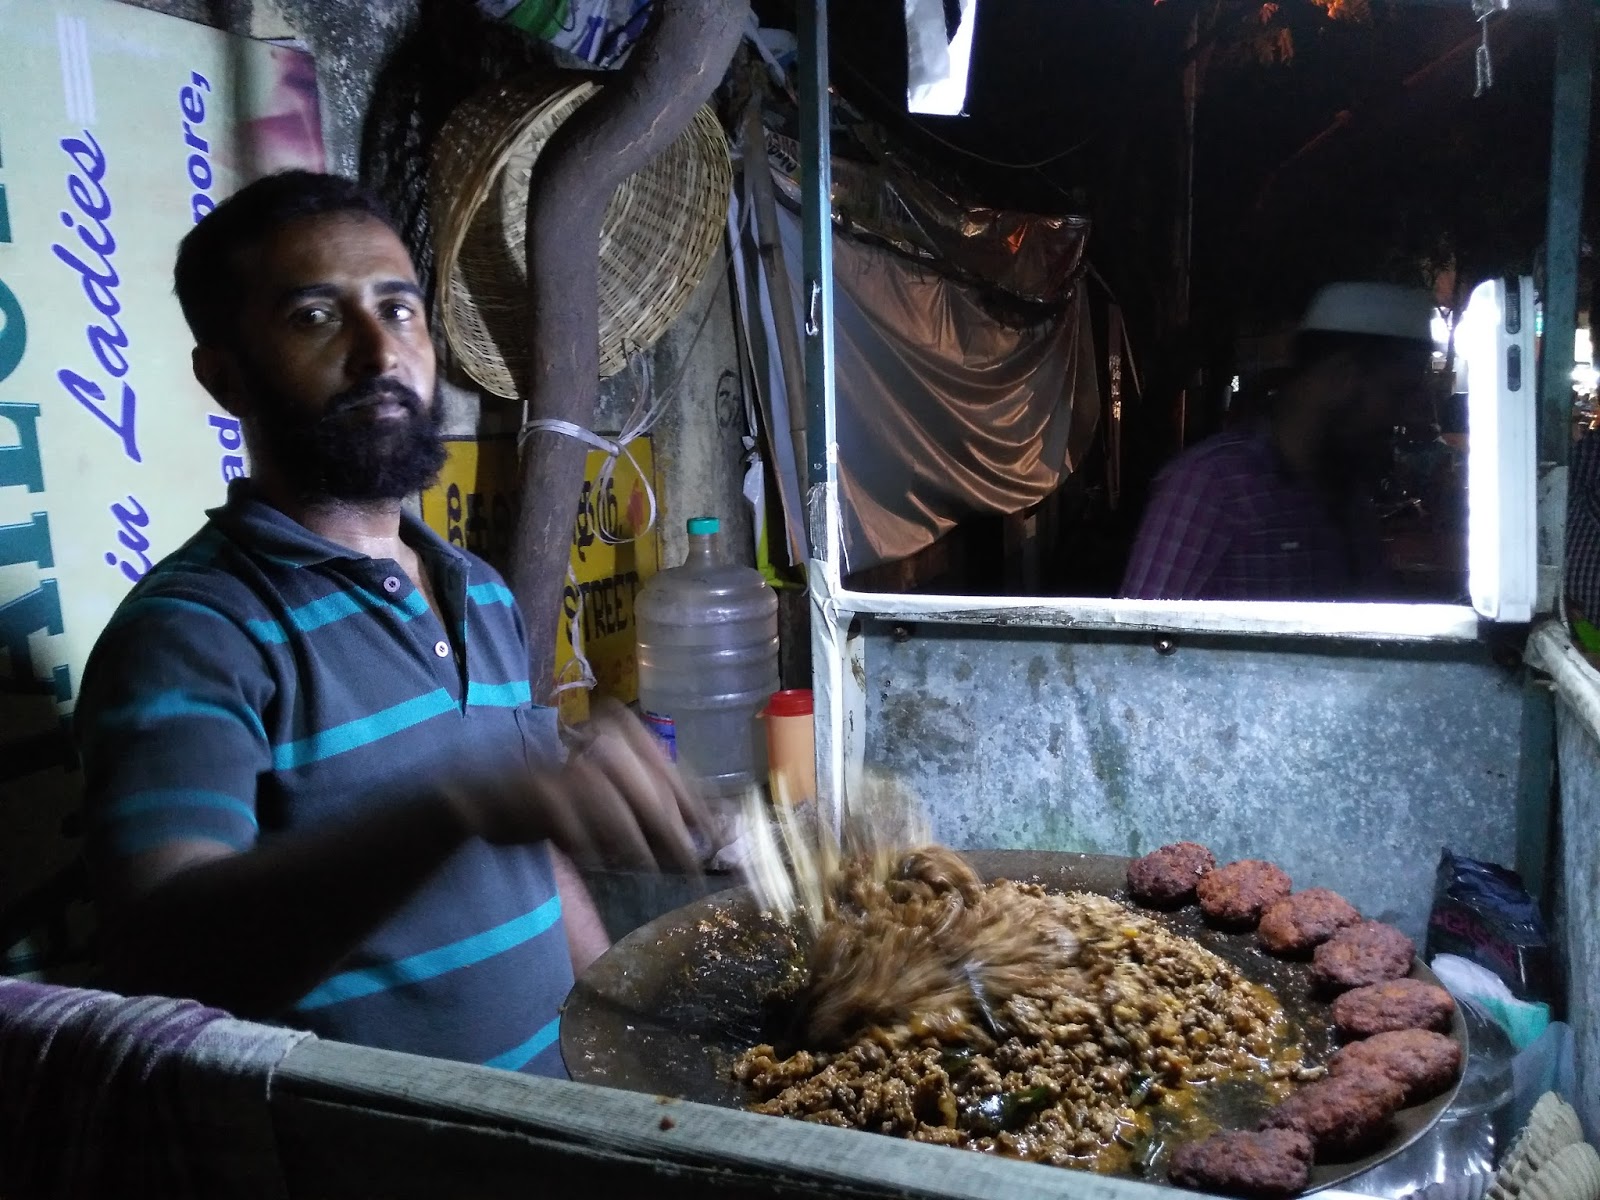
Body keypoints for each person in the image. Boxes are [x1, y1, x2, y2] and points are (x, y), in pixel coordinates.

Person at [73, 170, 704, 1078]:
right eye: (315, 317)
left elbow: (533, 866)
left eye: (398, 310)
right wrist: (459, 805)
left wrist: (620, 1045)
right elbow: (162, 957)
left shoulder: (479, 591)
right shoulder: (191, 634)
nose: (380, 353)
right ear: (224, 376)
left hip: (562, 1128)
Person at [1121, 282, 1435, 601]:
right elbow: (1142, 641)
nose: (1404, 415)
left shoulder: (1346, 496)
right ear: (1345, 376)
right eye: (1397, 393)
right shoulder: (1213, 486)